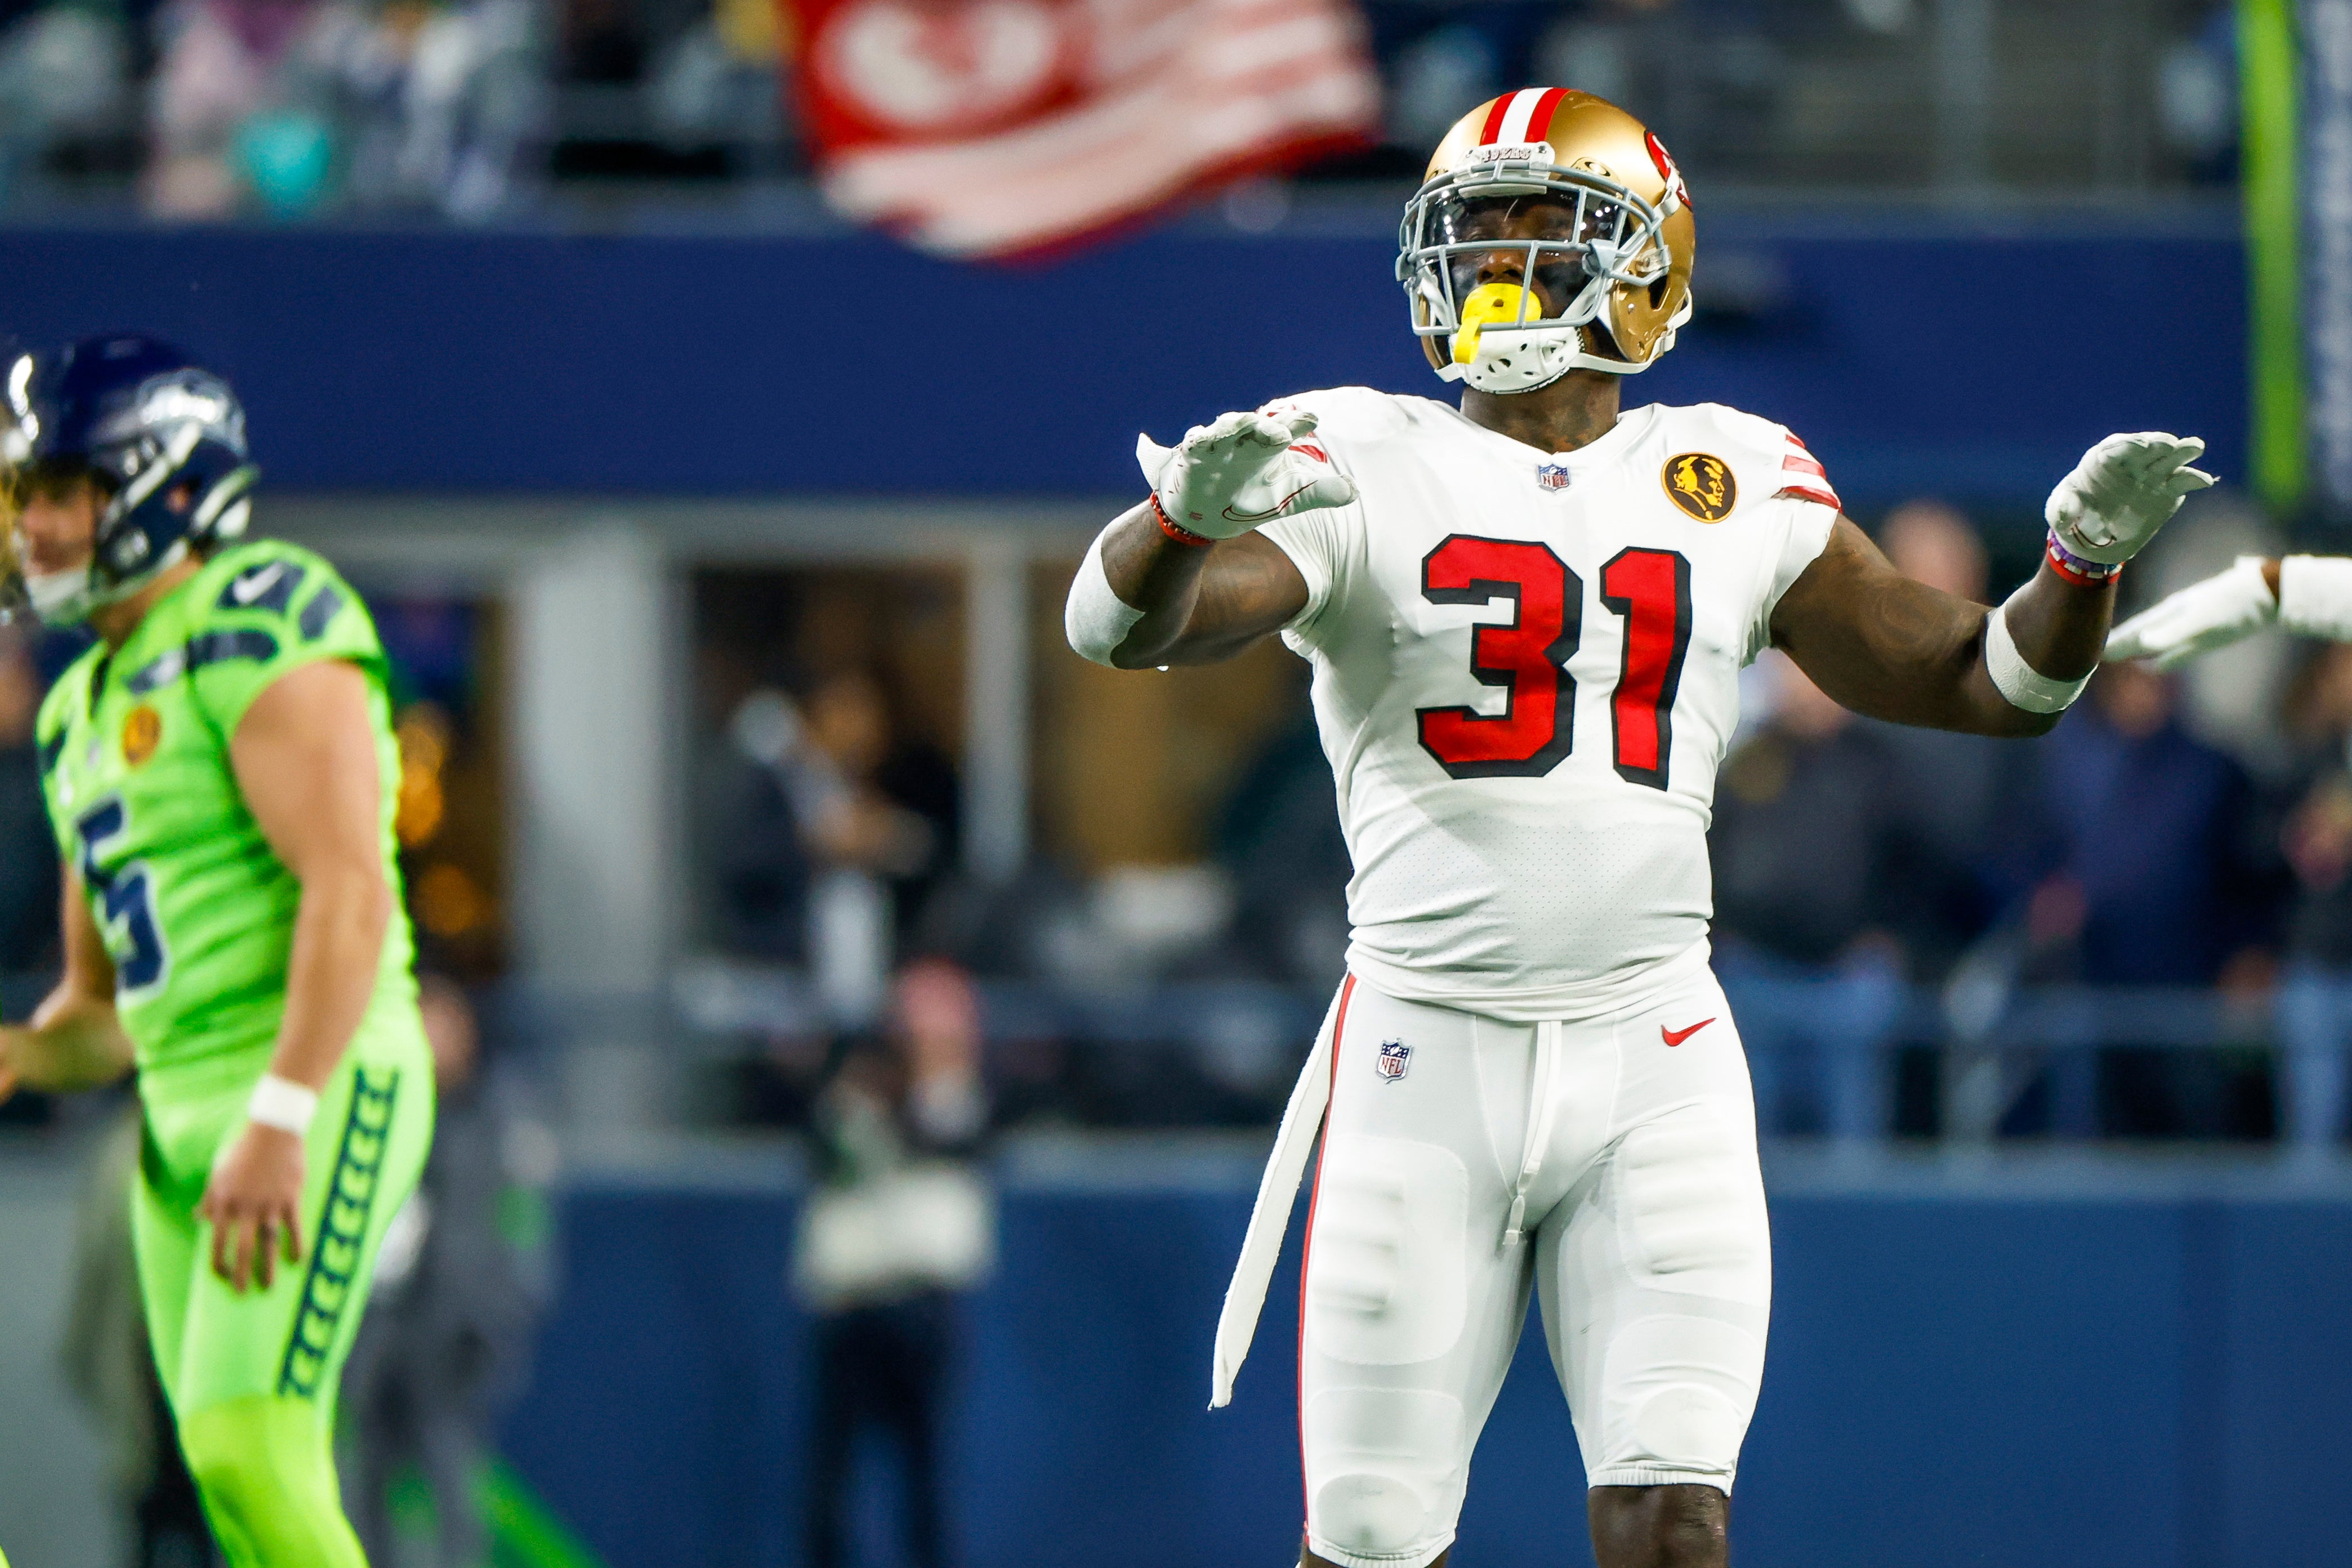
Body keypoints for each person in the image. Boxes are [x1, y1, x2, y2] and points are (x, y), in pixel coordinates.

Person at [1061, 88, 2211, 1568]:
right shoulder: (1358, 452)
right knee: (1366, 1540)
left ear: (1648, 263)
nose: (1496, 276)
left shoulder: (1729, 472)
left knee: (1672, 1525)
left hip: (1651, 1053)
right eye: (1473, 240)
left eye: (1542, 236)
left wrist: (2077, 563)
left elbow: (1994, 684)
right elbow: (1122, 632)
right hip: (1426, 1052)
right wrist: (1170, 524)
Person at [0, 336, 435, 1568]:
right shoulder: (74, 706)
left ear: (161, 485)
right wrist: (21, 1057)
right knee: (228, 1484)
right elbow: (104, 1015)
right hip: (181, 1106)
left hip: (313, 1076)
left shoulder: (256, 616)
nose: (32, 524)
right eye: (29, 492)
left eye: (60, 489)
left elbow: (351, 888)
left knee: (258, 1452)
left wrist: (284, 1110)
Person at [342, 975, 555, 1568]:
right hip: (380, 1323)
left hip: (456, 1330)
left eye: (443, 1024)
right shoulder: (380, 1110)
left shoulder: (504, 1119)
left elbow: (525, 1228)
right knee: (366, 1480)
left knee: (453, 1483)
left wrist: (495, 1320)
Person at [795, 959, 992, 1568]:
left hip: (923, 1304)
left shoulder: (965, 1099)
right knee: (831, 1483)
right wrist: (859, 1085)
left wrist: (928, 1080)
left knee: (927, 1477)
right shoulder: (850, 1093)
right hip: (850, 1303)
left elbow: (944, 1134)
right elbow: (831, 1142)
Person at [1710, 653, 1914, 1141]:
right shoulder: (1748, 757)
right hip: (1754, 974)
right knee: (1751, 1144)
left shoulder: (1876, 762)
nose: (1806, 686)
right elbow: (1710, 845)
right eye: (1794, 673)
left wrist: (1896, 934)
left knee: (1853, 1153)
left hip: (1846, 976)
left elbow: (1916, 861)